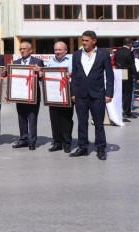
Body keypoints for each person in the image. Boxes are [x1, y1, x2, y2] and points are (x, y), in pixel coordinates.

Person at [70, 30, 114, 160]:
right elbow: (74, 75)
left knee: (99, 123)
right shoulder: (77, 55)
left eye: (87, 40)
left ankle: (101, 148)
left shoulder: (103, 54)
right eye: (83, 40)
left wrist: (109, 93)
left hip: (98, 95)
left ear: (94, 41)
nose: (84, 43)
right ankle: (83, 147)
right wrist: (73, 93)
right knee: (82, 122)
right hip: (81, 95)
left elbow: (110, 76)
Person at [10, 41, 44, 150]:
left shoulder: (38, 62)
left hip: (33, 96)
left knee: (32, 118)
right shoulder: (15, 63)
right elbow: (12, 79)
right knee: (21, 118)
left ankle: (32, 141)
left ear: (30, 50)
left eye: (24, 49)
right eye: (20, 49)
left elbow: (42, 78)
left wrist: (40, 72)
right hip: (20, 95)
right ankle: (23, 139)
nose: (22, 51)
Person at [45, 41, 74, 153]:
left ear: (65, 51)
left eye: (60, 50)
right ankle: (57, 142)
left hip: (67, 92)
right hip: (53, 94)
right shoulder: (50, 62)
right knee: (55, 118)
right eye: (56, 50)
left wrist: (71, 75)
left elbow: (76, 76)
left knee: (66, 118)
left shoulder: (71, 61)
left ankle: (67, 142)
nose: (57, 52)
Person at [113, 37, 138, 118]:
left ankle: (117, 110)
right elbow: (132, 65)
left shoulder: (117, 51)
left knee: (118, 92)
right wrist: (137, 77)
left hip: (118, 73)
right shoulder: (129, 52)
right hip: (127, 73)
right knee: (127, 93)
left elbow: (115, 60)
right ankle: (126, 112)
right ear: (129, 44)